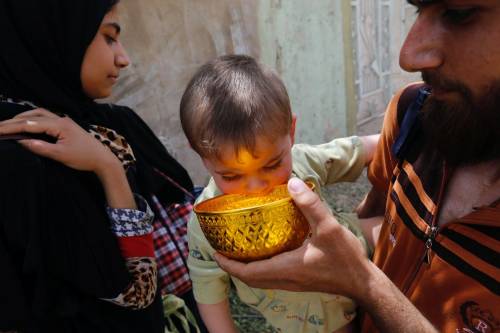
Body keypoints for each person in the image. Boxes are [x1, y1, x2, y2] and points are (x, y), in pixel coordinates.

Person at [213, 1, 500, 333]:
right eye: (418, 10)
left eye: (458, 13)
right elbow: (379, 213)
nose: (407, 56)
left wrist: (363, 282)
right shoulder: (414, 114)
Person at [0, 0, 204, 332]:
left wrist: (106, 163)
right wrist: (108, 168)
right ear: (52, 36)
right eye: (109, 37)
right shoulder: (18, 161)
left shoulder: (114, 125)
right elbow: (134, 300)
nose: (123, 58)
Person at [180, 54, 380, 333]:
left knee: (392, 231)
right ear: (200, 154)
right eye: (231, 176)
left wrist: (400, 136)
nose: (257, 187)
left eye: (272, 164)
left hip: (363, 254)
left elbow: (359, 150)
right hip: (307, 323)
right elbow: (208, 290)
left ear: (291, 131)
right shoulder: (205, 226)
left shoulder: (302, 162)